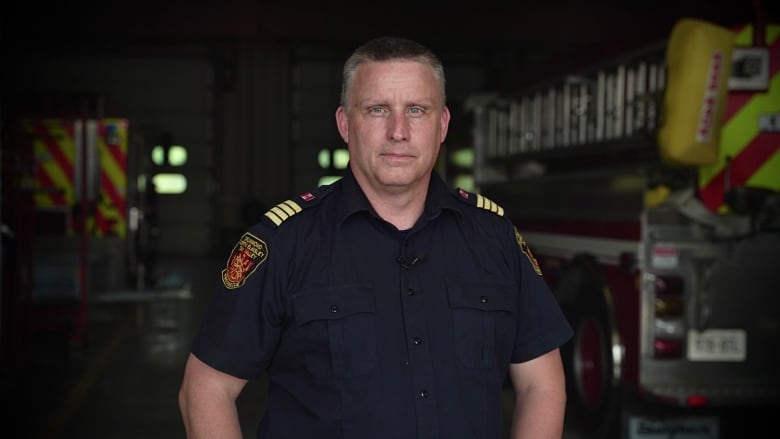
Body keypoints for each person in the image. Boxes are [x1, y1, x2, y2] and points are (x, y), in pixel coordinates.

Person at [178, 36, 573, 439]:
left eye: (417, 110)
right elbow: (207, 388)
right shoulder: (284, 242)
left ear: (442, 125)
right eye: (377, 109)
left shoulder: (495, 238)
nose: (398, 131)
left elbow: (541, 384)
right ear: (345, 123)